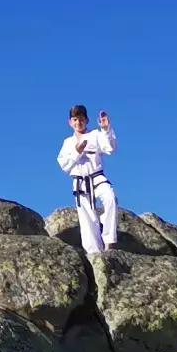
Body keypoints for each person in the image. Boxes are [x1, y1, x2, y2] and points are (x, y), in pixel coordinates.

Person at [59, 106, 118, 258]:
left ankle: (109, 240)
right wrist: (76, 152)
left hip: (97, 176)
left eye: (81, 119)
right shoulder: (67, 143)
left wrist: (106, 129)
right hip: (80, 183)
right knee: (87, 219)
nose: (79, 122)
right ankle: (94, 254)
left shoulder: (95, 135)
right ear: (70, 122)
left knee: (110, 198)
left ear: (87, 120)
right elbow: (63, 165)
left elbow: (110, 149)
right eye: (75, 119)